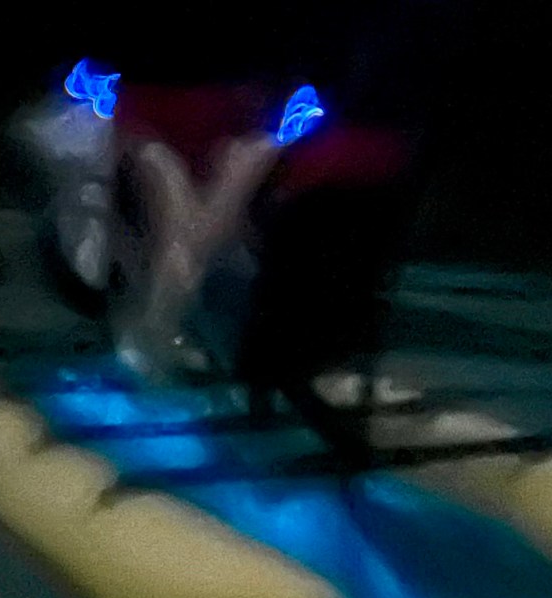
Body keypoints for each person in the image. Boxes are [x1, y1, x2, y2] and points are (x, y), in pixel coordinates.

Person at [73, 0, 472, 472]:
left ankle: (213, 357)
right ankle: (175, 351)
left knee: (221, 232)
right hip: (194, 122)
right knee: (186, 226)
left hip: (273, 139)